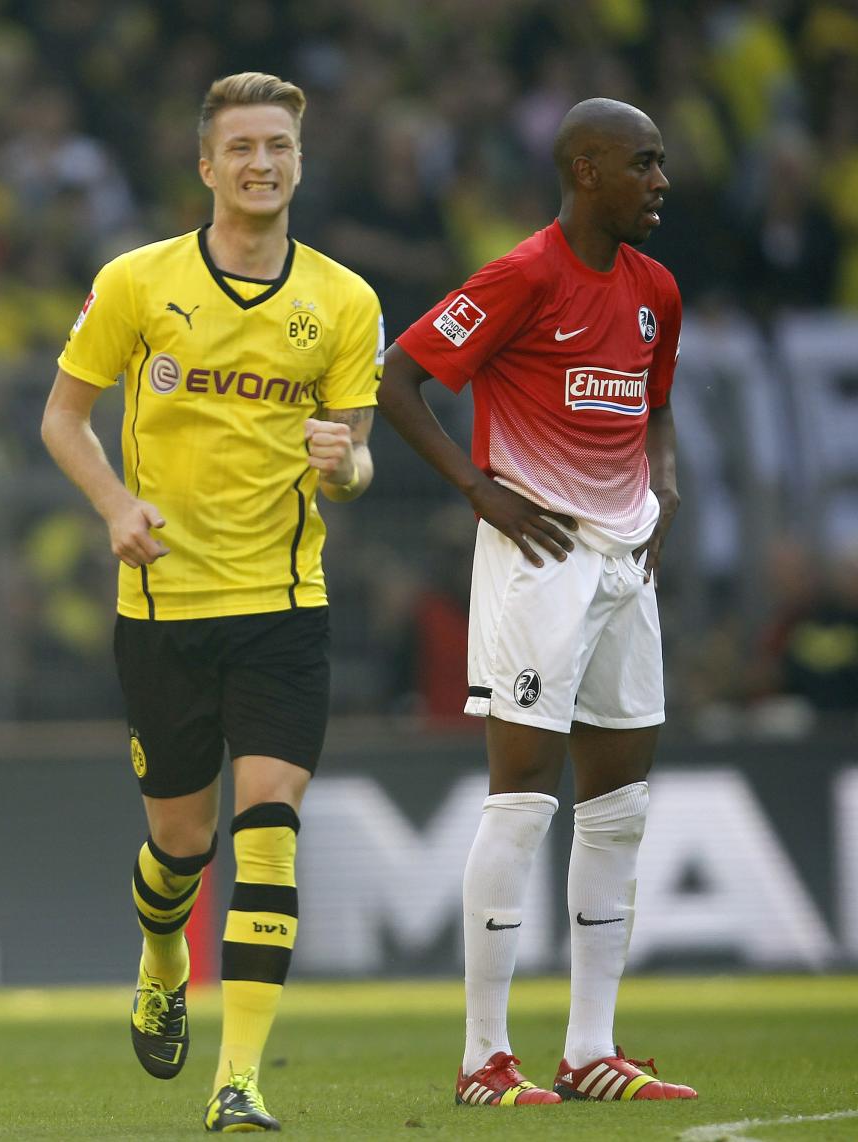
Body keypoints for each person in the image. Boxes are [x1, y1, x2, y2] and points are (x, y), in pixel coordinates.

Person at [41, 72, 383, 1133]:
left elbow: (356, 461)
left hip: (283, 603)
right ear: (206, 165)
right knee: (181, 845)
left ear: (298, 158)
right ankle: (157, 957)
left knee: (269, 826)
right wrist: (113, 505)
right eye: (241, 146)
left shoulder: (345, 299)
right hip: (163, 606)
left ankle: (238, 1079)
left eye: (278, 144)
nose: (261, 163)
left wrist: (345, 464)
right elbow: (62, 417)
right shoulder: (139, 283)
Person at [377, 97, 697, 1107]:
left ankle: (589, 1049)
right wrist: (479, 488)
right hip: (537, 556)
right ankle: (483, 1057)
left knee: (621, 804)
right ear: (588, 168)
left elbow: (656, 406)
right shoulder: (521, 275)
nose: (661, 182)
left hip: (623, 561)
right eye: (644, 165)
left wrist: (667, 480)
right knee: (522, 793)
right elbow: (398, 379)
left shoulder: (658, 290)